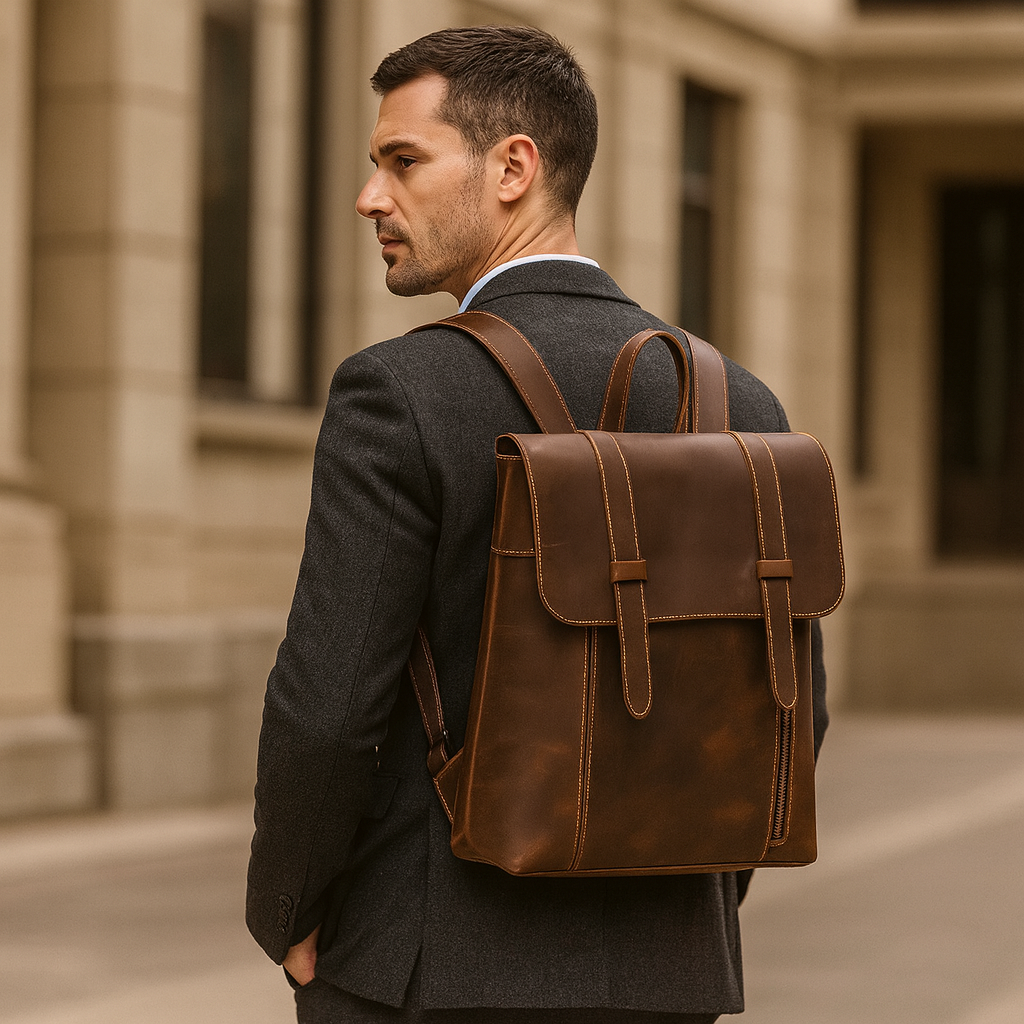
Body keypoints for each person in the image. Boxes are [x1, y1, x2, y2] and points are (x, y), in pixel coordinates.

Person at [246, 24, 828, 1024]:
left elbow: (329, 705)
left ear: (514, 165)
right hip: (668, 973)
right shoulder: (745, 404)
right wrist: (675, 890)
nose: (369, 197)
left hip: (421, 968)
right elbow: (792, 708)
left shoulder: (398, 390)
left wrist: (289, 915)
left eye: (402, 161)